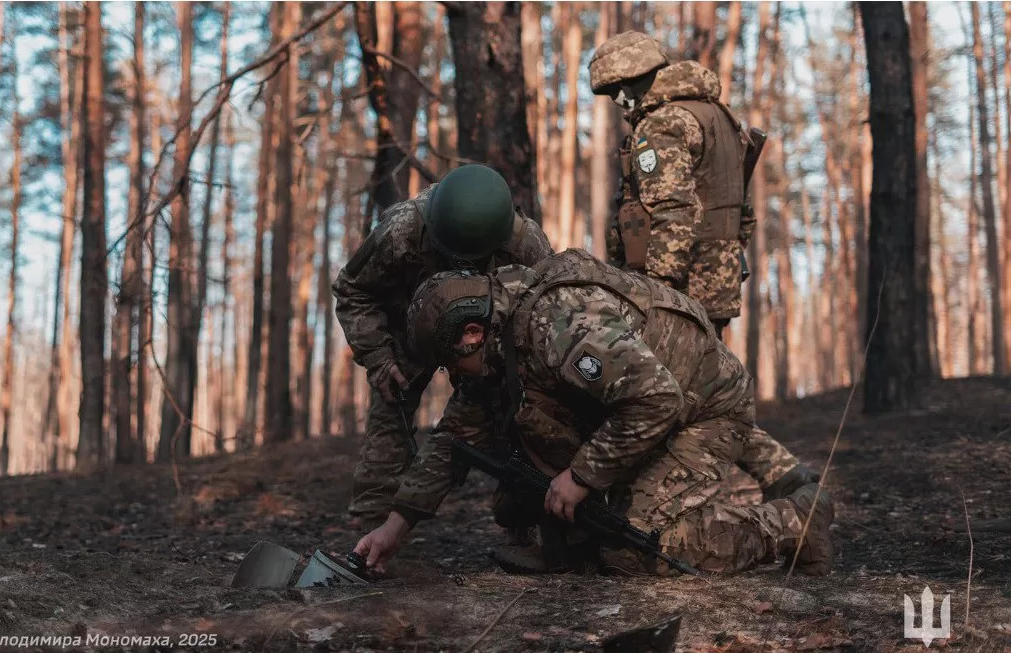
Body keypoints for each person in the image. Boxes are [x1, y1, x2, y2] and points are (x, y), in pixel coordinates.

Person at [355, 249, 836, 576]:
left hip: (702, 410)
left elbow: (657, 399)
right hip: (642, 410)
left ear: (473, 333)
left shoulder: (558, 325)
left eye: (450, 362)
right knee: (522, 501)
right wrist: (394, 526)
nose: (452, 375)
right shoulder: (503, 336)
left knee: (635, 549)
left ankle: (794, 524)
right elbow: (454, 438)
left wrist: (582, 476)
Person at [589, 31, 817, 496]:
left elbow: (672, 210)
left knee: (667, 399)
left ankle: (695, 499)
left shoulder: (664, 124)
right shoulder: (719, 117)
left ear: (637, 79)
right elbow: (742, 215)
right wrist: (724, 266)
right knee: (705, 393)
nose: (617, 101)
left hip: (679, 289)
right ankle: (786, 478)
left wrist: (657, 291)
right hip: (715, 282)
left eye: (619, 89)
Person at [332, 164, 553, 523]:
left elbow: (546, 308)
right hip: (408, 330)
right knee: (389, 420)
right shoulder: (402, 229)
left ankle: (527, 524)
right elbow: (352, 290)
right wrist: (378, 356)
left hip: (484, 338)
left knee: (518, 418)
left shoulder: (525, 243)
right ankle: (372, 534)